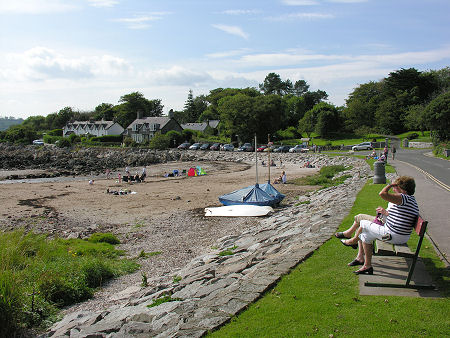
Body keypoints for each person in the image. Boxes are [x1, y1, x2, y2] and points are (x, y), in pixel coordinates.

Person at [339, 176, 419, 274]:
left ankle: (353, 241)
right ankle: (367, 265)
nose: (393, 189)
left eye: (395, 187)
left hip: (393, 235)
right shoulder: (409, 200)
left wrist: (390, 185)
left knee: (363, 223)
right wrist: (385, 214)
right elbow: (399, 217)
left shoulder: (404, 198)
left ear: (401, 188)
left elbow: (382, 194)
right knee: (365, 235)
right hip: (398, 235)